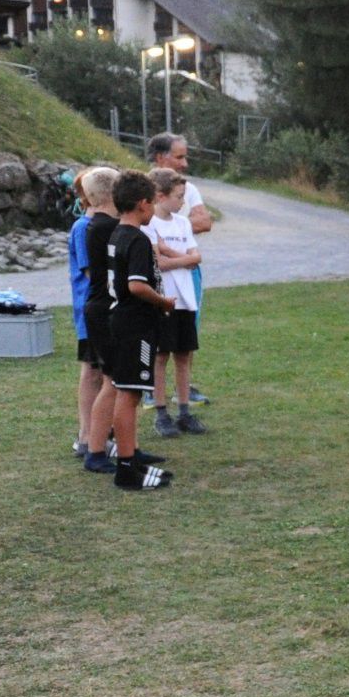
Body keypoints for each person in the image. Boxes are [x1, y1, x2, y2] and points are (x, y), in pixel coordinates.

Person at [103, 172, 178, 491]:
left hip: (121, 320)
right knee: (129, 393)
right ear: (143, 204)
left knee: (127, 391)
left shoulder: (117, 234)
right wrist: (163, 301)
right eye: (152, 204)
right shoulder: (137, 240)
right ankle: (126, 469)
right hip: (134, 325)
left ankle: (131, 459)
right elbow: (136, 285)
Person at [147, 134, 212, 404]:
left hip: (185, 277)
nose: (185, 163)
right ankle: (152, 392)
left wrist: (172, 246)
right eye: (179, 157)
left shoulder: (186, 190)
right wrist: (184, 254)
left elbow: (205, 222)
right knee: (159, 345)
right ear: (160, 157)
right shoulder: (145, 192)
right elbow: (157, 259)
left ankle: (182, 393)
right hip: (160, 286)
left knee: (186, 338)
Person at [73, 168, 122, 473]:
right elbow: (94, 272)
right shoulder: (85, 227)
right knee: (93, 372)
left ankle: (100, 434)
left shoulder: (100, 224)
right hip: (91, 311)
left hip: (102, 309)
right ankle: (87, 435)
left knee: (100, 373)